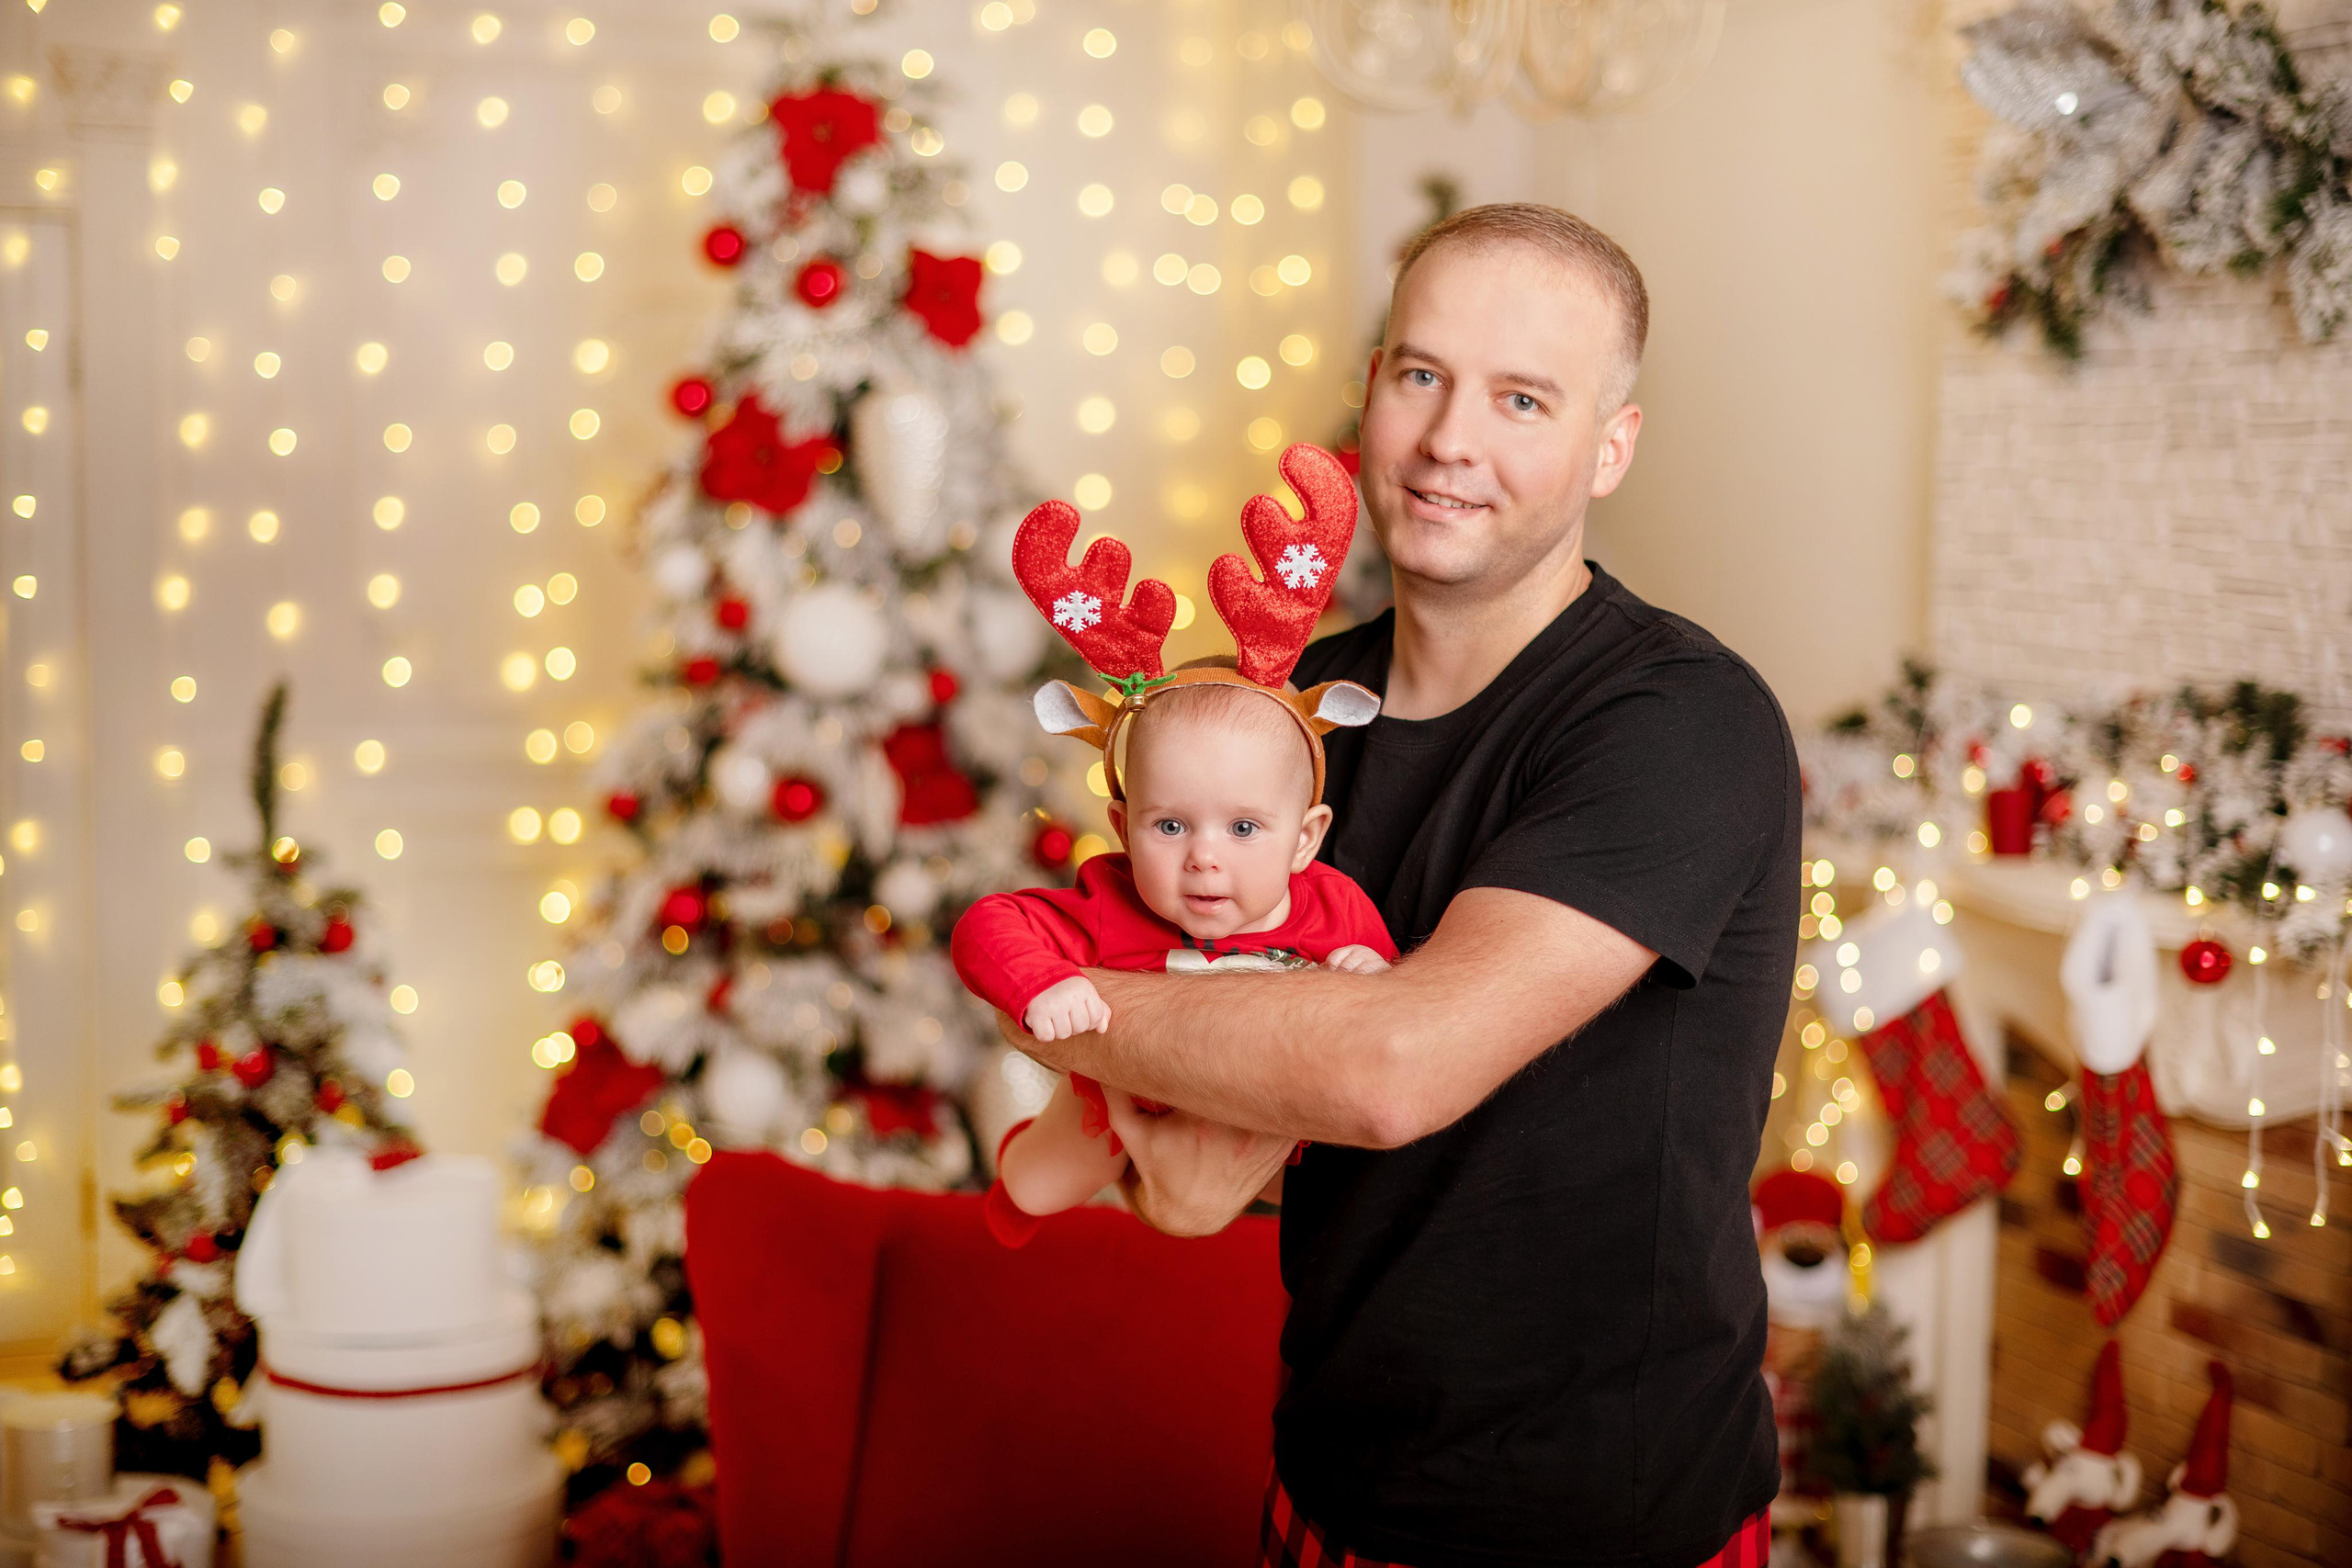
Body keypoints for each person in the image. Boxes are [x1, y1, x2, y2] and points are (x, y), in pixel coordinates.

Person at [1005, 204, 1799, 1568]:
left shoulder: (1683, 718)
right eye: (1420, 374)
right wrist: (1155, 1093)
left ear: (1610, 445)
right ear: (1371, 389)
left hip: (1601, 1521)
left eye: (1523, 397)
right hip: (1333, 1480)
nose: (1449, 442)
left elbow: (1390, 1068)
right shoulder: (1289, 724)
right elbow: (1205, 1154)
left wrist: (1043, 996)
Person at [951, 661, 1397, 1247]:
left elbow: (1392, 1013)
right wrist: (1042, 981)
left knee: (1339, 1194)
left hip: (1266, 1118)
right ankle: (1018, 1178)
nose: (1203, 858)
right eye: (1169, 826)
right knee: (1040, 1187)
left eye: (1242, 828)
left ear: (1304, 839)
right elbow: (987, 924)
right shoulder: (1112, 901)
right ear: (1123, 829)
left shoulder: (1336, 910)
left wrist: (1372, 972)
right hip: (1122, 1093)